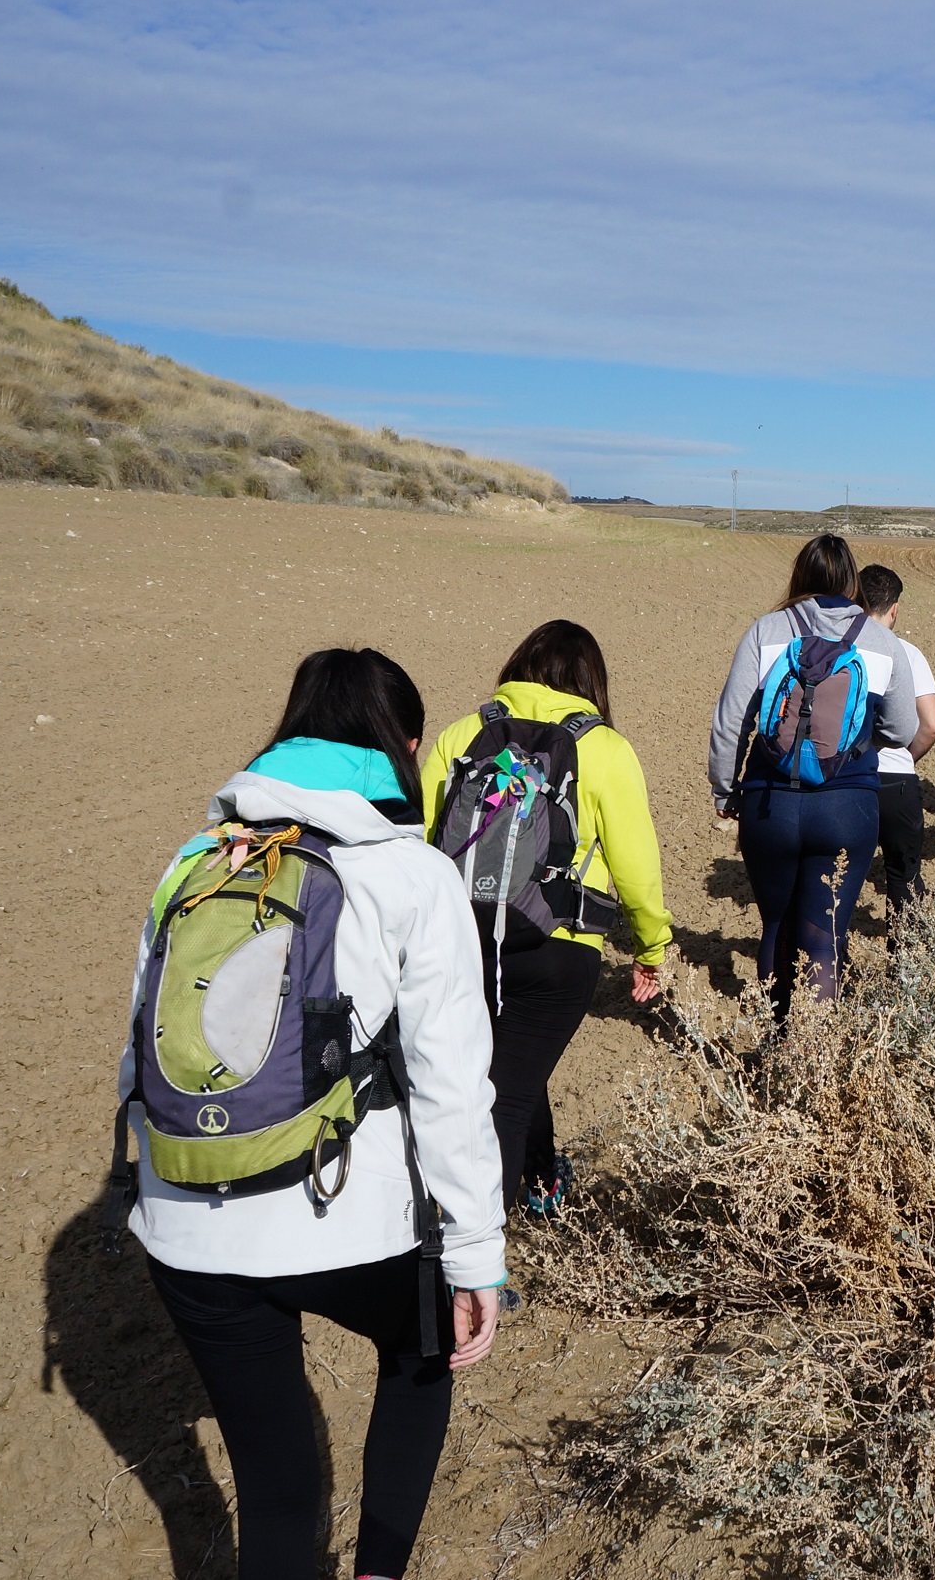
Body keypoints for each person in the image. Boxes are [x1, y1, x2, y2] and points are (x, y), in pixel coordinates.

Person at [119, 647, 503, 1580]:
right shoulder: (410, 873)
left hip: (185, 1230)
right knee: (425, 1352)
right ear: (406, 747)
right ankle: (377, 1572)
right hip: (345, 1218)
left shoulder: (195, 858)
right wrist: (476, 1257)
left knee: (278, 1487)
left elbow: (142, 1044)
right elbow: (453, 1083)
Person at [419, 621, 672, 1220]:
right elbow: (637, 865)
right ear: (591, 681)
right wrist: (651, 946)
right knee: (504, 1099)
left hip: (464, 940)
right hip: (559, 949)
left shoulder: (462, 733)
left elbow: (419, 838)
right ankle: (476, 1263)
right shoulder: (604, 748)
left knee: (505, 1073)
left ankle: (539, 1180)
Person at [709, 534, 919, 1019]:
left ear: (799, 575)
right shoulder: (882, 641)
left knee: (776, 926)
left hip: (769, 804)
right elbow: (904, 729)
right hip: (848, 806)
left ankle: (775, 1041)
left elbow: (730, 720)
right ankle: (813, 1062)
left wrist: (725, 789)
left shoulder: (767, 631)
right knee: (823, 939)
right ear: (852, 582)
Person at [857, 563, 935, 918]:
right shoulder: (905, 651)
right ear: (894, 608)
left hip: (843, 780)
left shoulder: (835, 647)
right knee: (904, 878)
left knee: (837, 879)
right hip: (896, 781)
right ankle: (904, 966)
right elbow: (932, 725)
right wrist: (905, 757)